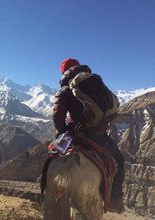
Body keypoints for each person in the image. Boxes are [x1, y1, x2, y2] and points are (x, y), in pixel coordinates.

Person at [52, 58, 125, 213]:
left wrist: (63, 131)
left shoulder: (65, 90)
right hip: (98, 134)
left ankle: (50, 191)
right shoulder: (96, 85)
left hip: (73, 134)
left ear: (64, 72)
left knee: (53, 155)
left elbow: (57, 117)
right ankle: (114, 198)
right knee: (119, 160)